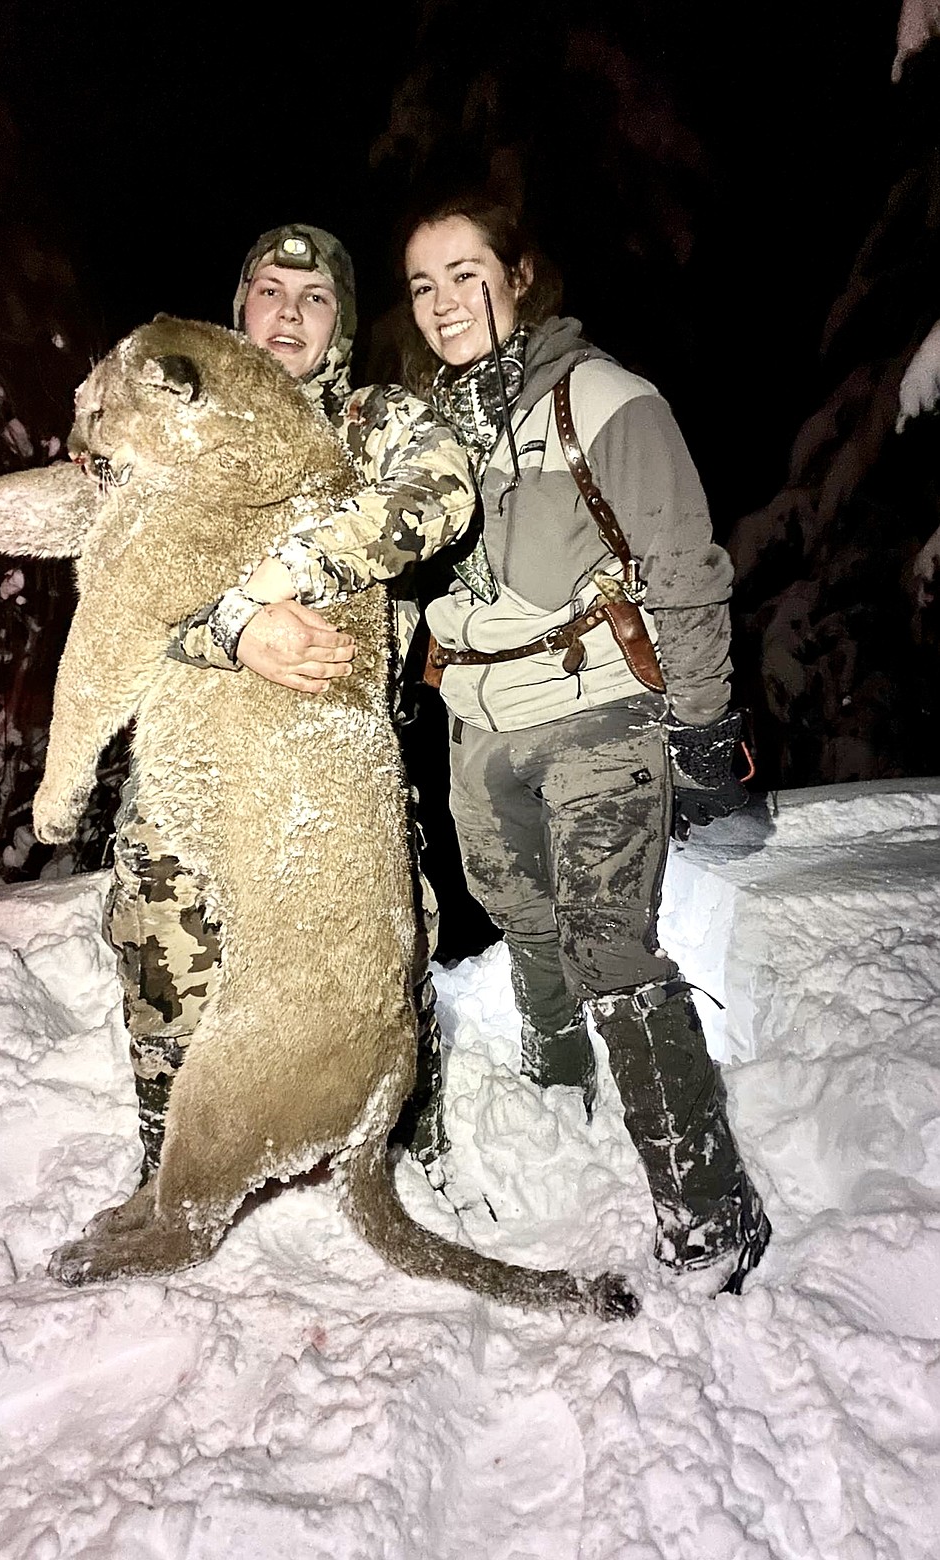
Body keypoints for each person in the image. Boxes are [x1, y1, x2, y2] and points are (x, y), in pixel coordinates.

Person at [402, 192, 770, 1291]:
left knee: (610, 942)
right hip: (479, 723)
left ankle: (707, 1209)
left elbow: (686, 570)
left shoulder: (604, 400)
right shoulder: (429, 431)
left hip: (601, 707)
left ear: (519, 276)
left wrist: (704, 724)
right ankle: (558, 1079)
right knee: (522, 915)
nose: (444, 302)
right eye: (423, 284)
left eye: (467, 272)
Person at [105, 223, 476, 1184]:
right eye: (270, 291)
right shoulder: (173, 434)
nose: (290, 313)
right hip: (194, 769)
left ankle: (393, 1151)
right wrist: (234, 631)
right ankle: (173, 1169)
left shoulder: (367, 421)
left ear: (340, 330)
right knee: (164, 950)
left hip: (330, 779)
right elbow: (118, 592)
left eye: (316, 301)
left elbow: (440, 488)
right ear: (237, 312)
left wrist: (286, 580)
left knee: (376, 973)